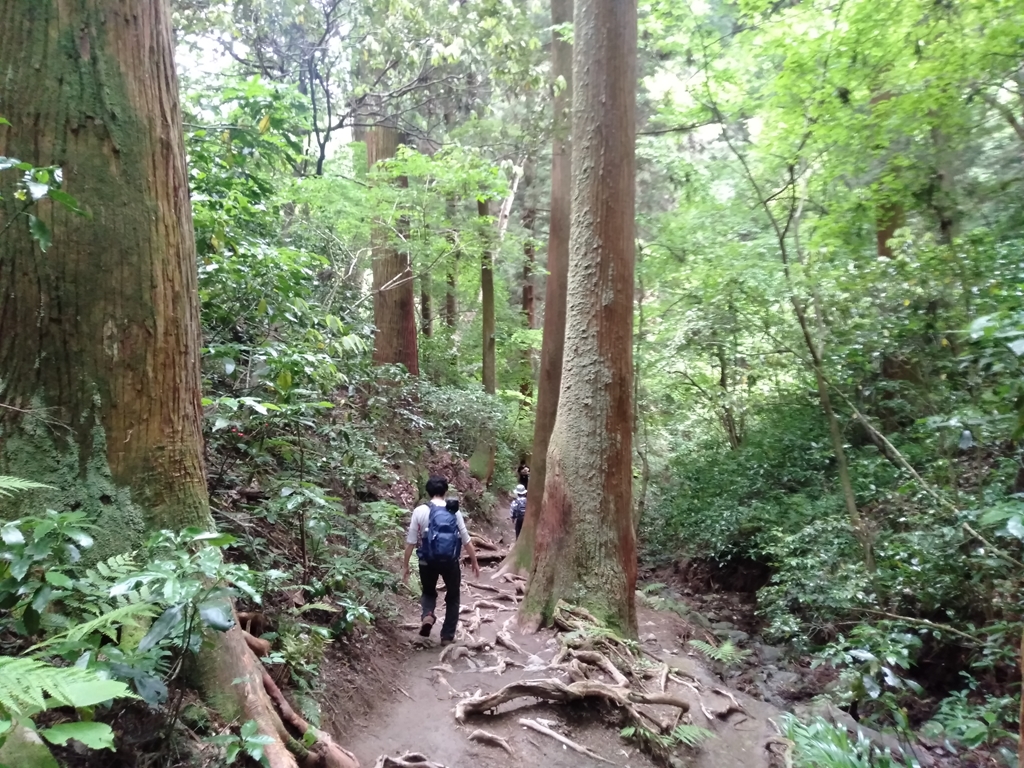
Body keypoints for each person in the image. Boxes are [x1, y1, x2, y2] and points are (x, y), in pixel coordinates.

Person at [402, 476, 480, 645]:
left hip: (426, 561)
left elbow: (411, 541)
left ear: (428, 492)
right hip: (450, 562)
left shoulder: (420, 511)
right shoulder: (453, 510)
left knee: (429, 592)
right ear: (445, 492)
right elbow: (465, 539)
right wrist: (474, 561)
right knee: (453, 596)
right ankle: (447, 636)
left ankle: (428, 615)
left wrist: (405, 565)